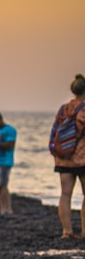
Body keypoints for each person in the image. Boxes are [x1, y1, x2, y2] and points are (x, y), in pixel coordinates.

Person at [52, 74, 85, 238]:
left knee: (65, 194)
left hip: (63, 157)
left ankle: (67, 231)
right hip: (82, 157)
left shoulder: (63, 108)